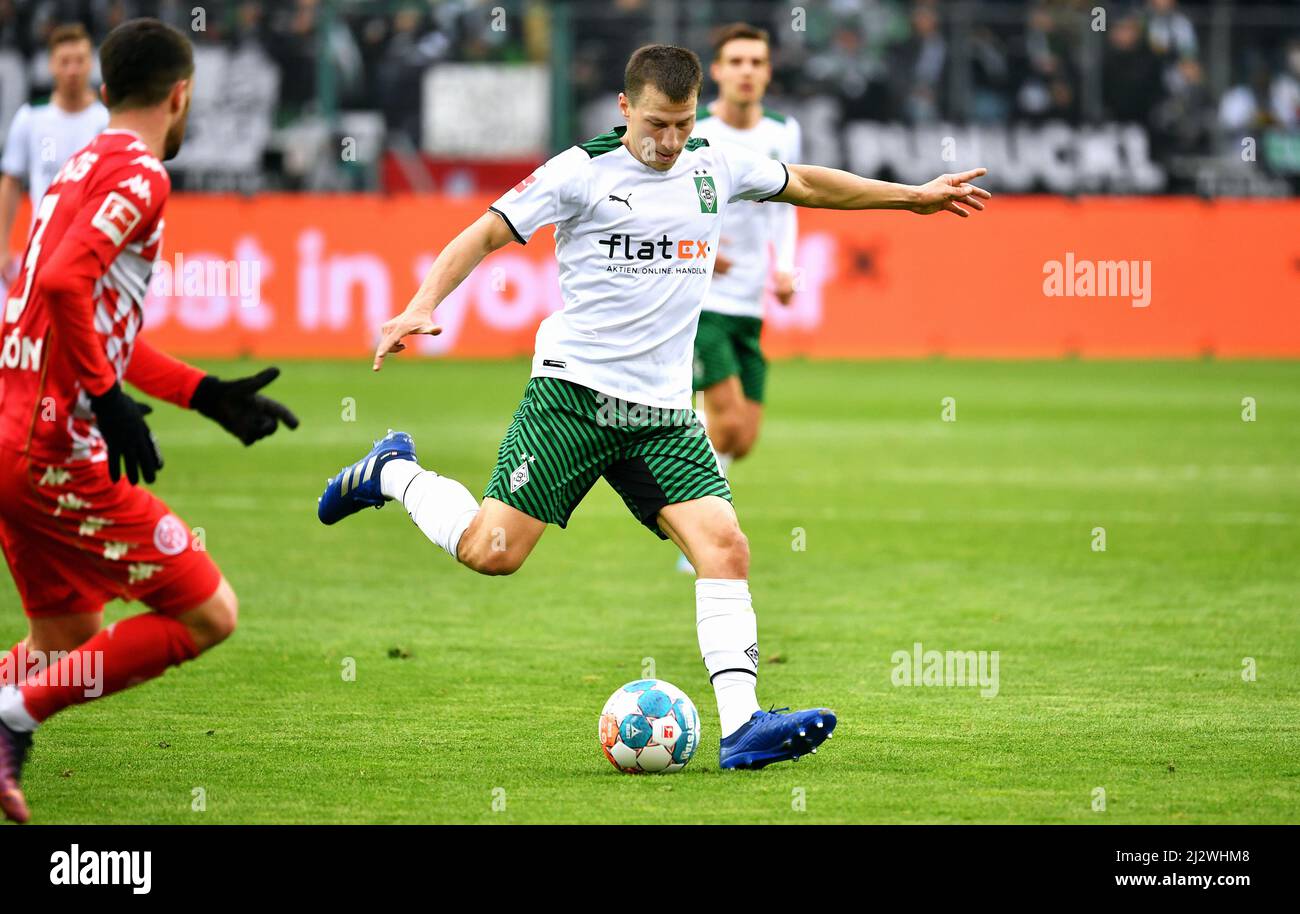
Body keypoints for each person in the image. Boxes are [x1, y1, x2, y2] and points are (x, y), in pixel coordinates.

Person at [318, 44, 989, 771]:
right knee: (493, 553)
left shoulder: (714, 163)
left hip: (664, 415)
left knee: (726, 547)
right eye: (656, 125)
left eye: (682, 123)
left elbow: (809, 185)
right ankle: (394, 473)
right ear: (624, 108)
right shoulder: (578, 172)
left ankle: (742, 728)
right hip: (572, 398)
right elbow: (484, 232)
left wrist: (912, 197)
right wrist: (420, 304)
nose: (669, 142)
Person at [0, 18, 298, 824]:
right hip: (52, 447)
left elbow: (80, 311)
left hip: (12, 430)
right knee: (208, 613)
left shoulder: (75, 167)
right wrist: (102, 395)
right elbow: (64, 283)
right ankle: (11, 723)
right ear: (181, 94)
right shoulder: (142, 175)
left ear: (102, 92)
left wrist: (204, 393)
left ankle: (10, 701)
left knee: (63, 645)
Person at [681, 22, 800, 574]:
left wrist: (786, 265)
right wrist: (698, 251)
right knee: (725, 422)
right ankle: (698, 527)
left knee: (742, 436)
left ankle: (671, 436)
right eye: (737, 61)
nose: (748, 70)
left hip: (750, 300)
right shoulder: (695, 131)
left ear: (767, 71)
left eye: (757, 61)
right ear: (719, 71)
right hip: (700, 299)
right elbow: (671, 203)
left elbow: (787, 203)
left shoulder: (783, 131)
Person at [0, 23, 108, 284]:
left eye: (80, 60)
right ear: (51, 65)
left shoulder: (106, 120)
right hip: (41, 251)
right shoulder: (31, 117)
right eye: (64, 61)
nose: (72, 69)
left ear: (90, 63)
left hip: (93, 254)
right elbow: (12, 181)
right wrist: (3, 247)